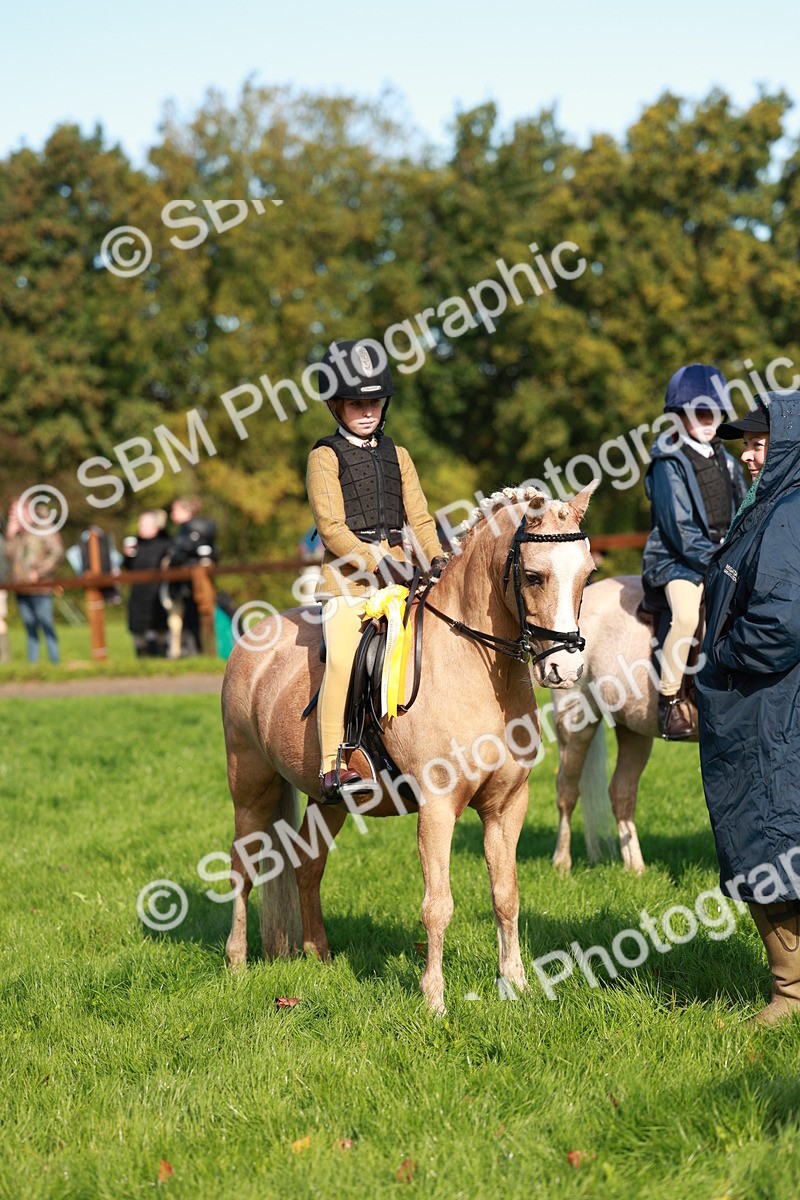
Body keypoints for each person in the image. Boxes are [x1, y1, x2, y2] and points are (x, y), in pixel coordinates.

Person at [695, 392, 800, 1025]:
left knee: (769, 836)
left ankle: (792, 995)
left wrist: (721, 655)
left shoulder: (789, 512)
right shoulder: (770, 504)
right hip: (760, 703)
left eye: (761, 442)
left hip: (768, 705)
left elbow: (781, 622)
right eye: (745, 445)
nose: (749, 455)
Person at [307, 339, 446, 802]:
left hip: (403, 576)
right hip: (347, 582)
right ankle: (333, 765)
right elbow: (331, 528)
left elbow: (420, 519)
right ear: (336, 405)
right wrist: (378, 561)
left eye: (374, 402)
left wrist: (436, 557)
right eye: (356, 403)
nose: (367, 412)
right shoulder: (324, 456)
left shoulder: (398, 454)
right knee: (343, 660)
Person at [642, 364, 747, 739]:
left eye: (713, 411)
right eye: (698, 412)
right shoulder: (667, 462)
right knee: (687, 617)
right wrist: (720, 562)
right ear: (680, 415)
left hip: (722, 554)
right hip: (678, 560)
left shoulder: (729, 461)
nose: (707, 419)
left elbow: (743, 509)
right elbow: (680, 529)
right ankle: (670, 700)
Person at [5, 496, 65, 664]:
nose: (11, 515)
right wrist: (10, 536)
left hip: (41, 587)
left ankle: (55, 663)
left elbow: (57, 552)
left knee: (46, 624)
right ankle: (33, 666)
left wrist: (39, 571)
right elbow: (8, 557)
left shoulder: (43, 527)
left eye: (14, 511)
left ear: (26, 510)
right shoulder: (17, 534)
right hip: (21, 587)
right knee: (30, 627)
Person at [164, 497, 218, 657]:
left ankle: (196, 653)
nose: (172, 515)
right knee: (193, 619)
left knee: (192, 619)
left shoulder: (191, 531)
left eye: (175, 511)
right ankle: (196, 653)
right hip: (191, 582)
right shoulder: (196, 530)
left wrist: (173, 559)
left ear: (186, 511)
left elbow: (181, 555)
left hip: (190, 583)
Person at [122, 510, 171, 657]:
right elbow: (128, 567)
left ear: (155, 526)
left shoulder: (165, 544)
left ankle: (162, 658)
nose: (140, 527)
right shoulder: (137, 544)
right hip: (138, 594)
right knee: (138, 630)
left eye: (143, 524)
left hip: (157, 593)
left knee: (160, 629)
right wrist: (127, 556)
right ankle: (143, 661)